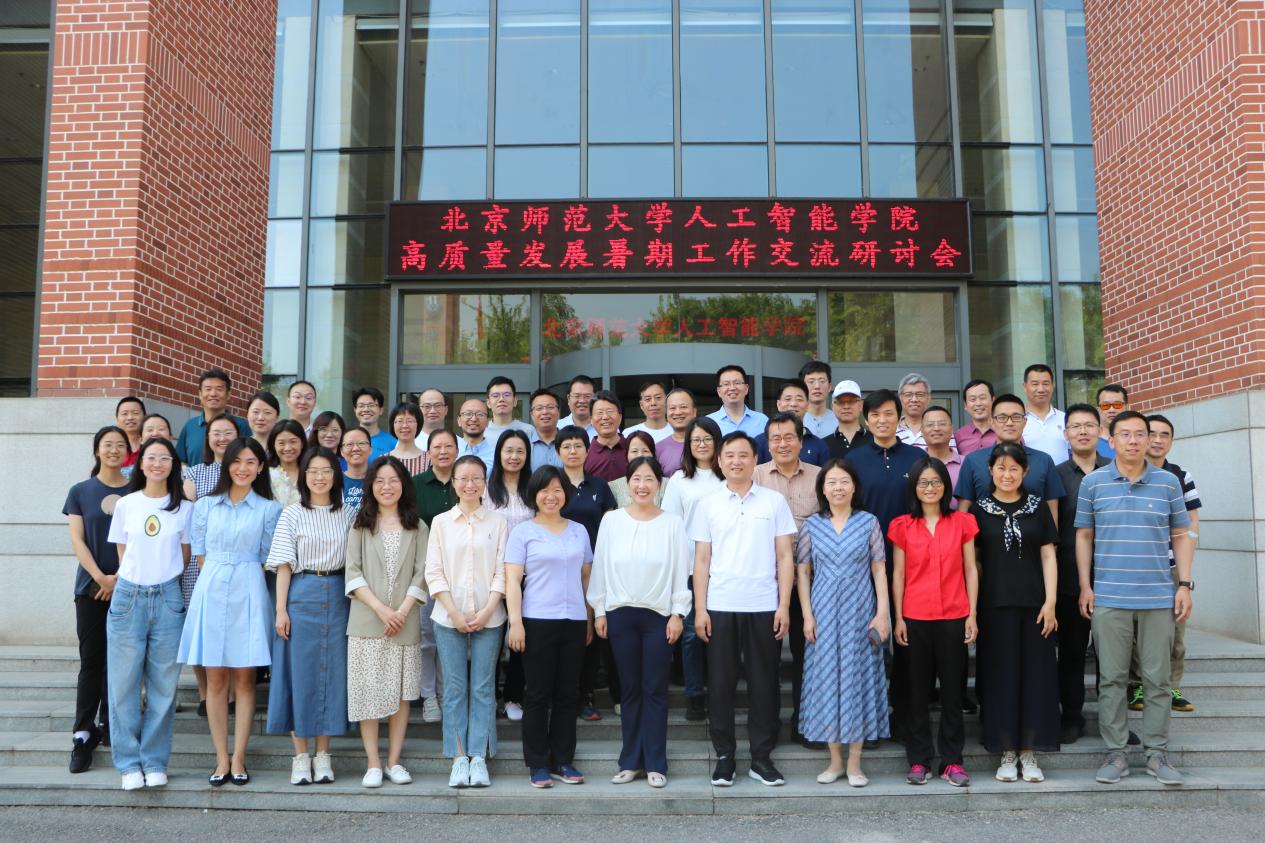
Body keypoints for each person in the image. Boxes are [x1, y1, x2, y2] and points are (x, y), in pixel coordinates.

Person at [1077, 411, 1194, 787]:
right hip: (1110, 597)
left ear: (1148, 439)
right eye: (1124, 434)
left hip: (1158, 597)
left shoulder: (1168, 482)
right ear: (1110, 440)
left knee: (1158, 679)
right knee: (1111, 679)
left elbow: (1181, 535)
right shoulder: (1093, 483)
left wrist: (1184, 585)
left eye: (1139, 434)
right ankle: (1116, 753)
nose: (1133, 440)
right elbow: (1084, 536)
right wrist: (1085, 585)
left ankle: (1157, 753)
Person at [693, 432, 796, 787]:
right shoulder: (707, 503)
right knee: (720, 684)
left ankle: (761, 758)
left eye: (743, 455)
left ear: (755, 460)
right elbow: (701, 560)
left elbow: (785, 556)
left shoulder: (774, 502)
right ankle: (725, 756)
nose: (736, 461)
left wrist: (784, 605)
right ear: (720, 461)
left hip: (763, 605)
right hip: (720, 605)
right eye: (730, 455)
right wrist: (701, 609)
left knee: (764, 684)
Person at [178, 437, 280, 786]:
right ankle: (221, 757)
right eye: (237, 461)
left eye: (251, 462)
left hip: (250, 589)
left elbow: (268, 558)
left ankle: (239, 757)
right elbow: (200, 554)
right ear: (227, 465)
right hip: (212, 587)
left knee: (245, 681)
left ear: (261, 467)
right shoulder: (205, 506)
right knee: (216, 680)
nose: (243, 468)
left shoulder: (269, 509)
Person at [589, 457, 691, 789]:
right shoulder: (611, 520)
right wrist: (599, 610)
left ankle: (656, 762)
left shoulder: (673, 523)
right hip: (620, 614)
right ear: (627, 483)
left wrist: (678, 613)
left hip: (659, 616)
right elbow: (600, 566)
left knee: (655, 690)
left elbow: (681, 571)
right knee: (629, 689)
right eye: (636, 479)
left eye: (649, 479)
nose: (642, 485)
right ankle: (631, 761)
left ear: (659, 485)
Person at [105, 437, 193, 790]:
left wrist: (162, 578)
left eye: (164, 458)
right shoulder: (127, 504)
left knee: (164, 687)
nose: (157, 463)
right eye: (151, 457)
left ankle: (155, 761)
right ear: (140, 464)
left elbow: (184, 555)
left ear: (173, 465)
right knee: (123, 685)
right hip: (129, 596)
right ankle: (128, 764)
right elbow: (123, 552)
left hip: (168, 597)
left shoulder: (183, 508)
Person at [796, 460, 889, 786]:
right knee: (826, 683)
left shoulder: (868, 522)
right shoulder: (811, 526)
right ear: (822, 488)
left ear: (854, 487)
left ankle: (855, 764)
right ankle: (835, 761)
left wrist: (882, 613)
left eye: (844, 481)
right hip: (822, 612)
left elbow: (879, 569)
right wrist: (807, 615)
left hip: (860, 611)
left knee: (856, 681)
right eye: (831, 482)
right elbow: (803, 572)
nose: (838, 487)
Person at [265, 446, 355, 786]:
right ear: (304, 476)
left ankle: (324, 754)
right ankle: (301, 756)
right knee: (299, 674)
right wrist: (280, 609)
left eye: (326, 471)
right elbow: (283, 565)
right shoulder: (291, 514)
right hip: (301, 595)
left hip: (339, 594)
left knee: (333, 674)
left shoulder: (348, 513)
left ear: (336, 476)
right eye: (313, 471)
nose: (320, 477)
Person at [971, 443, 1060, 783]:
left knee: (1035, 678)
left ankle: (1029, 752)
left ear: (1025, 472)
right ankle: (1007, 751)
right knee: (1001, 679)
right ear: (990, 471)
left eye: (1014, 469)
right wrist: (973, 611)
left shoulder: (1038, 507)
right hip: (994, 606)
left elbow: (1049, 556)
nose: (1007, 475)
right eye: (1001, 468)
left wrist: (1050, 602)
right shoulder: (978, 510)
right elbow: (974, 564)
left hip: (1036, 606)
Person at [889, 457, 979, 788]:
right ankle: (919, 759)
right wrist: (898, 617)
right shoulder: (902, 525)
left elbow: (971, 569)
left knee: (953, 692)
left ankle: (952, 761)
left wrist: (972, 614)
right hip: (915, 617)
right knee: (916, 693)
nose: (930, 488)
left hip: (954, 615)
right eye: (924, 482)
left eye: (936, 482)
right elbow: (898, 574)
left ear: (946, 486)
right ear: (914, 487)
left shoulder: (962, 522)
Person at [505, 465, 594, 788]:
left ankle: (563, 760)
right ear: (534, 495)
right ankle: (538, 763)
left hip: (574, 620)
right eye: (545, 490)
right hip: (537, 620)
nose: (551, 496)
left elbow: (586, 577)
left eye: (557, 490)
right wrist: (516, 622)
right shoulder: (523, 533)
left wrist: (589, 617)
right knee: (538, 694)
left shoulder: (579, 531)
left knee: (568, 693)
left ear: (565, 494)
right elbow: (512, 581)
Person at [345, 456, 430, 788]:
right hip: (368, 621)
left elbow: (422, 573)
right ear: (371, 486)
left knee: (401, 694)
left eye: (393, 480)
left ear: (404, 484)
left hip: (405, 622)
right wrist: (382, 610)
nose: (387, 487)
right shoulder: (360, 525)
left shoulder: (417, 526)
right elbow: (353, 572)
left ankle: (394, 761)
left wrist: (402, 612)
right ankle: (373, 763)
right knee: (367, 693)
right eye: (379, 481)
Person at [426, 455, 508, 789]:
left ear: (485, 482)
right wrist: (455, 613)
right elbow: (434, 572)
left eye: (476, 478)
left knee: (483, 687)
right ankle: (459, 757)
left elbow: (502, 571)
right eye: (463, 478)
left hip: (491, 616)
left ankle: (479, 757)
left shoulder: (498, 523)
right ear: (454, 482)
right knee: (455, 687)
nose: (469, 484)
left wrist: (488, 610)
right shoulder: (441, 523)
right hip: (448, 617)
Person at [64, 426, 130, 774]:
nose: (114, 450)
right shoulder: (80, 491)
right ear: (97, 450)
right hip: (89, 588)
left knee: (119, 663)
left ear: (127, 452)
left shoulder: (137, 490)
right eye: (108, 445)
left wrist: (119, 578)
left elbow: (141, 540)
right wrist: (101, 578)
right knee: (91, 661)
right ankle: (83, 733)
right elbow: (78, 540)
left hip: (128, 587)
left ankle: (111, 725)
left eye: (120, 445)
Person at [753, 413, 821, 748]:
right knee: (766, 658)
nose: (782, 444)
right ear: (768, 444)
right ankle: (768, 726)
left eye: (788, 437)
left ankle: (804, 723)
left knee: (807, 655)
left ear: (801, 441)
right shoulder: (754, 476)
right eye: (775, 438)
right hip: (766, 582)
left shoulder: (820, 477)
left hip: (812, 582)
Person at [1127, 414, 1202, 713]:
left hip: (1170, 566)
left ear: (1171, 440)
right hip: (1135, 564)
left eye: (1165, 435)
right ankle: (1136, 685)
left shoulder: (1180, 476)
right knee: (1135, 631)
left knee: (1176, 631)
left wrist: (1185, 571)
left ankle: (1172, 685)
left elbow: (1192, 523)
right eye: (1153, 434)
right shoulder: (1128, 472)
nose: (1158, 440)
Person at [659, 416, 724, 721]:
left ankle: (720, 690)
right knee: (690, 634)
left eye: (707, 439)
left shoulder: (729, 476)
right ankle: (695, 694)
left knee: (721, 632)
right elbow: (671, 526)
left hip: (725, 566)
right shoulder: (679, 480)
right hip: (689, 566)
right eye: (696, 440)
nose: (701, 444)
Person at [556, 425, 618, 720]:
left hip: (594, 569)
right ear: (558, 452)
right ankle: (562, 694)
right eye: (566, 446)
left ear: (587, 449)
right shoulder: (552, 484)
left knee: (590, 634)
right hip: (558, 570)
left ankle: (586, 695)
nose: (573, 451)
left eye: (578, 445)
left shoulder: (599, 486)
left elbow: (611, 527)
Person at [1054, 403, 1108, 742]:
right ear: (1066, 434)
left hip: (1113, 577)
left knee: (1112, 657)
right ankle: (1071, 716)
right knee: (1072, 653)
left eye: (1089, 425)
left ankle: (1112, 720)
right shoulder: (1056, 475)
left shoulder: (1116, 470)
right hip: (1069, 579)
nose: (1083, 431)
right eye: (1076, 426)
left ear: (1101, 431)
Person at [484, 429, 535, 722]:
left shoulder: (534, 489)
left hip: (528, 576)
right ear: (499, 454)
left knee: (521, 638)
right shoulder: (486, 490)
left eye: (520, 451)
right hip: (492, 574)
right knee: (491, 637)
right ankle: (490, 696)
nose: (514, 457)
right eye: (509, 451)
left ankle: (514, 696)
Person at [954, 393, 1065, 526]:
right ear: (992, 422)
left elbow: (1052, 509)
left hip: (1034, 538)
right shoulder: (973, 461)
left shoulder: (1043, 461)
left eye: (1016, 417)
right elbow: (964, 509)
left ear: (1025, 422)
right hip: (984, 538)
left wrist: (1052, 538)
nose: (1009, 423)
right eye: (1002, 417)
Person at [413, 427, 460, 724]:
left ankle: (447, 693)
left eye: (448, 446)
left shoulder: (465, 481)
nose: (443, 452)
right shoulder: (416, 484)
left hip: (460, 572)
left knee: (451, 636)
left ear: (457, 450)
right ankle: (429, 695)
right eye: (437, 447)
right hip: (426, 572)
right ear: (428, 452)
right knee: (427, 638)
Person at [175, 368, 249, 465]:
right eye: (208, 389)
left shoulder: (241, 425)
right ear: (200, 394)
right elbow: (179, 461)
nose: (213, 394)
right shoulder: (190, 426)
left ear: (228, 395)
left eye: (219, 389)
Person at [754, 380, 829, 467]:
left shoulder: (819, 445)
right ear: (778, 404)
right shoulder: (760, 442)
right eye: (788, 399)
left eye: (799, 399)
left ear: (807, 405)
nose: (793, 404)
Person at [1022, 364, 1069, 464]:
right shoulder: (1017, 421)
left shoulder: (1066, 419)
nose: (1041, 389)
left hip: (1062, 474)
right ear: (1025, 387)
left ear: (1053, 386)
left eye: (1046, 383)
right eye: (1035, 384)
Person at [608, 431, 667, 508]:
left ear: (653, 454)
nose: (640, 455)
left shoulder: (666, 484)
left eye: (645, 451)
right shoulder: (614, 486)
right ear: (626, 454)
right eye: (634, 451)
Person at [707, 364, 769, 437]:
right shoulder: (709, 422)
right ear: (719, 391)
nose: (732, 388)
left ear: (746, 388)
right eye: (726, 384)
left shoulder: (762, 420)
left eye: (737, 383)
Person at [584, 390, 628, 482]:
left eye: (610, 411)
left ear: (620, 417)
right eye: (599, 413)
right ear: (591, 419)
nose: (605, 417)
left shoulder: (633, 448)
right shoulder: (585, 454)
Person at [823, 380, 870, 460]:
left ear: (861, 405)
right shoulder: (823, 444)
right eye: (840, 402)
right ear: (832, 407)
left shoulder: (875, 440)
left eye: (851, 401)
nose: (846, 406)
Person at [655, 387, 698, 476]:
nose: (678, 412)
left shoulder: (707, 443)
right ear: (666, 414)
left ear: (694, 411)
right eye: (672, 408)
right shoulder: (658, 448)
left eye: (683, 407)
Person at [922, 406, 962, 496]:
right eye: (930, 425)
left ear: (952, 428)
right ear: (922, 430)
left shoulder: (967, 463)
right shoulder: (914, 462)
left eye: (942, 424)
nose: (936, 428)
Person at [268, 419, 307, 508]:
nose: (288, 448)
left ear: (302, 443)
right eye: (281, 443)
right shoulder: (266, 474)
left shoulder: (311, 472)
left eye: (293, 442)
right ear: (274, 445)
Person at [484, 376, 534, 444]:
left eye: (507, 395)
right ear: (488, 403)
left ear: (515, 401)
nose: (501, 399)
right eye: (495, 396)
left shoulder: (528, 431)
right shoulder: (481, 433)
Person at [955, 379, 997, 457]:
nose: (978, 403)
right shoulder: (958, 436)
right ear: (965, 405)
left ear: (993, 400)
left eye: (982, 398)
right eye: (972, 399)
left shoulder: (1005, 430)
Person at [353, 386, 397, 460]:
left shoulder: (393, 443)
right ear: (355, 410)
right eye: (361, 406)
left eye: (371, 405)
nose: (366, 409)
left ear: (381, 410)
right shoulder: (346, 441)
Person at [388, 401, 430, 477]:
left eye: (410, 421)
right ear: (393, 425)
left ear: (418, 424)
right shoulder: (384, 459)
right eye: (400, 421)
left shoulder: (429, 460)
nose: (405, 426)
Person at [800, 361, 839, 439]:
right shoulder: (796, 420)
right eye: (811, 382)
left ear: (829, 386)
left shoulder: (839, 420)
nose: (817, 386)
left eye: (822, 381)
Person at [527, 388, 564, 469]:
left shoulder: (569, 442)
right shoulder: (524, 445)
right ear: (532, 414)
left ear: (558, 412)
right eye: (539, 408)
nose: (545, 412)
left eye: (550, 407)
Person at [896, 373, 933, 448]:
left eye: (920, 395)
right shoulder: (891, 429)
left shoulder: (939, 428)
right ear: (900, 398)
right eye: (908, 395)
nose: (914, 399)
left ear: (928, 398)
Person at [341, 426, 371, 512]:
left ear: (370, 449)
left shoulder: (379, 479)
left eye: (361, 443)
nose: (355, 448)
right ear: (342, 451)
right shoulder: (335, 481)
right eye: (349, 444)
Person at [1095, 384, 1129, 459]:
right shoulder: (1089, 443)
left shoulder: (1138, 440)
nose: (1111, 410)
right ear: (1098, 410)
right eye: (1105, 405)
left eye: (1117, 404)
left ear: (1127, 407)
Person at [559, 374, 598, 438]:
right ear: (568, 398)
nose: (582, 401)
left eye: (587, 396)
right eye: (577, 396)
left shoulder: (604, 428)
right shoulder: (558, 428)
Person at [457, 398, 494, 464]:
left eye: (480, 414)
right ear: (459, 421)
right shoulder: (449, 452)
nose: (474, 419)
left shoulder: (496, 453)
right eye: (468, 414)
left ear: (488, 421)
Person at [115, 397, 145, 469]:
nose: (130, 418)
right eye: (124, 414)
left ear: (145, 416)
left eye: (135, 413)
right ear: (117, 419)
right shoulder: (112, 448)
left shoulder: (151, 446)